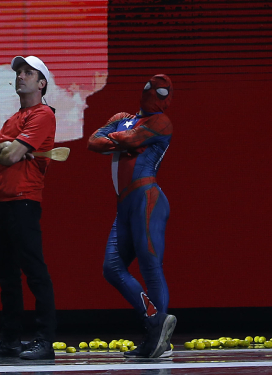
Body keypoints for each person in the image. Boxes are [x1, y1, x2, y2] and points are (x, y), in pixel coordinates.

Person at [87, 75, 176, 358]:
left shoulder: (162, 122)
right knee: (112, 268)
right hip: (125, 203)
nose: (156, 94)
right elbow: (92, 142)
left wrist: (119, 141)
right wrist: (125, 141)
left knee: (150, 264)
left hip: (147, 198)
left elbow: (121, 140)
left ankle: (156, 340)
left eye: (163, 91)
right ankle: (154, 322)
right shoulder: (122, 117)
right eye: (153, 87)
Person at [0, 56, 57, 361]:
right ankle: (10, 340)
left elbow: (9, 156)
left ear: (41, 83)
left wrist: (4, 148)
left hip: (24, 200)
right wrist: (6, 147)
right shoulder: (13, 119)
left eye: (28, 73)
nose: (20, 76)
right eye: (19, 72)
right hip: (1, 201)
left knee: (34, 272)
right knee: (6, 275)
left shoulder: (43, 114)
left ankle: (44, 340)